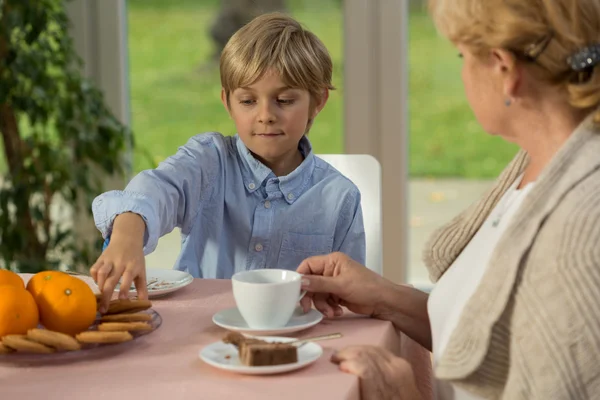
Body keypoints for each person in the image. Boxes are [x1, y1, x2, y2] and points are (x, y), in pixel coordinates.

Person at [297, 0, 600, 398]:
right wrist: (385, 298)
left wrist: (402, 395)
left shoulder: (580, 233)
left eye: (463, 55)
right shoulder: (544, 167)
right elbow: (495, 341)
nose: (462, 72)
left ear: (503, 69)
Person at [90, 12, 365, 313]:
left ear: (318, 101)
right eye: (248, 101)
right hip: (197, 331)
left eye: (284, 100)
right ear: (227, 102)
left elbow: (352, 298)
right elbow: (157, 188)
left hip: (296, 342)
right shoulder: (208, 161)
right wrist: (127, 235)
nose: (265, 115)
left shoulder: (341, 198)